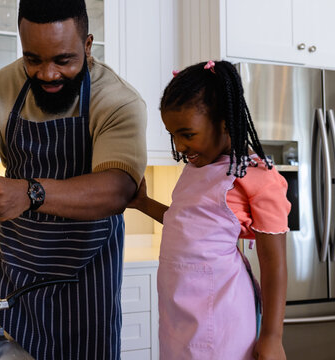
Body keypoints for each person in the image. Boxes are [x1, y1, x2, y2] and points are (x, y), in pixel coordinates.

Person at [0, 0, 147, 358]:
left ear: (88, 46)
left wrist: (30, 193)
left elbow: (116, 188)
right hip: (15, 273)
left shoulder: (116, 100)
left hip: (87, 281)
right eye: (33, 59)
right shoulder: (1, 88)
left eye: (63, 60)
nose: (48, 74)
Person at [128, 60, 289, 359]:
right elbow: (188, 227)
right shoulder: (198, 165)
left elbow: (274, 263)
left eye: (187, 134)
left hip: (224, 319)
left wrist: (272, 335)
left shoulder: (255, 176)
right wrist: (143, 203)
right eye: (172, 134)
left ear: (225, 122)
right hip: (179, 315)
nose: (179, 145)